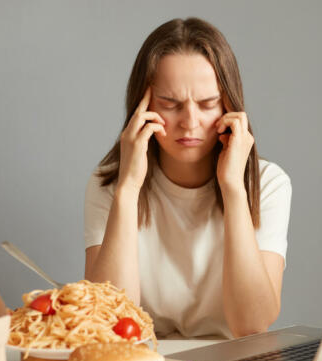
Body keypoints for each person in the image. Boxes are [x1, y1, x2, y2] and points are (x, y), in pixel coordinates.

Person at [84, 18, 291, 339]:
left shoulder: (269, 183)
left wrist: (234, 188)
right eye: (170, 104)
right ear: (143, 107)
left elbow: (252, 325)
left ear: (229, 105)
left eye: (208, 104)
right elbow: (111, 320)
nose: (190, 122)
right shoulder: (108, 184)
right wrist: (127, 189)